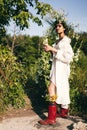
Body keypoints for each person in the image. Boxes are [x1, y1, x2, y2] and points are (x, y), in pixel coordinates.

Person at [38, 20, 74, 125]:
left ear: (64, 28)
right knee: (61, 88)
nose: (57, 28)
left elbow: (68, 57)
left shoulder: (66, 41)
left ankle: (51, 118)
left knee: (51, 88)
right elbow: (55, 55)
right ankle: (63, 111)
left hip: (61, 69)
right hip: (56, 68)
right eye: (56, 26)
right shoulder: (58, 41)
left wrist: (53, 49)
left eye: (60, 26)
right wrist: (50, 50)